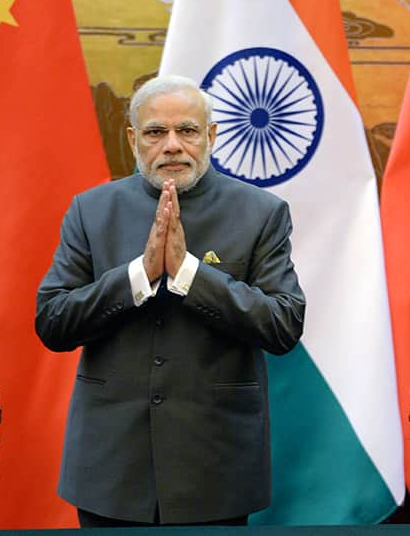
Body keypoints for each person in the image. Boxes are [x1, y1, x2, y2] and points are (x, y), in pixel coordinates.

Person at [36, 75, 305, 527]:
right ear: (133, 139)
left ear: (212, 135)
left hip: (215, 467)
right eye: (156, 132)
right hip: (110, 467)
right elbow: (53, 321)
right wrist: (139, 275)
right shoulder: (91, 210)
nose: (173, 146)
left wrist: (189, 274)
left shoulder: (261, 212)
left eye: (188, 130)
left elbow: (282, 326)